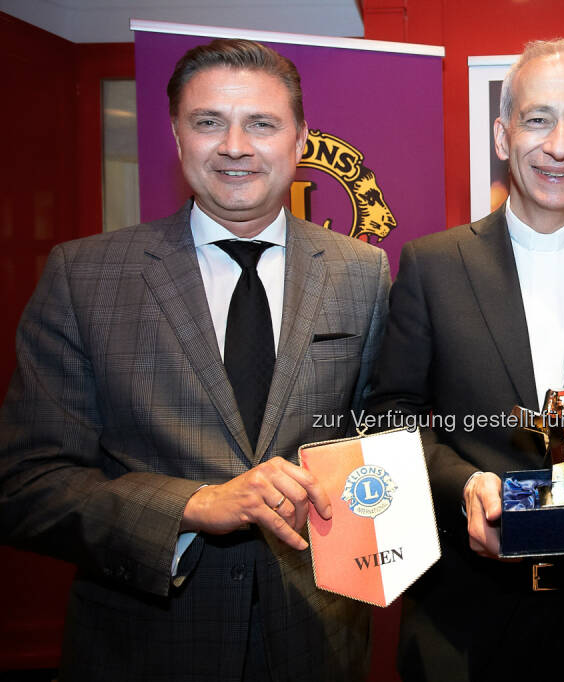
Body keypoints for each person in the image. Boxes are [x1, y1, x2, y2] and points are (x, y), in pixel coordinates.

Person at [0, 39, 390, 681]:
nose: (235, 145)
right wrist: (193, 504)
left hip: (315, 642)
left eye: (262, 124)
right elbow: (27, 485)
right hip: (145, 645)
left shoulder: (361, 272)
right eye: (209, 122)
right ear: (177, 136)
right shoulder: (85, 275)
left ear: (299, 142)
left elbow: (380, 441)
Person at [367, 39, 564, 682]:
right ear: (501, 132)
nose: (560, 145)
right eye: (538, 119)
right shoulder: (432, 266)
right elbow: (390, 414)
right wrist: (464, 484)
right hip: (462, 616)